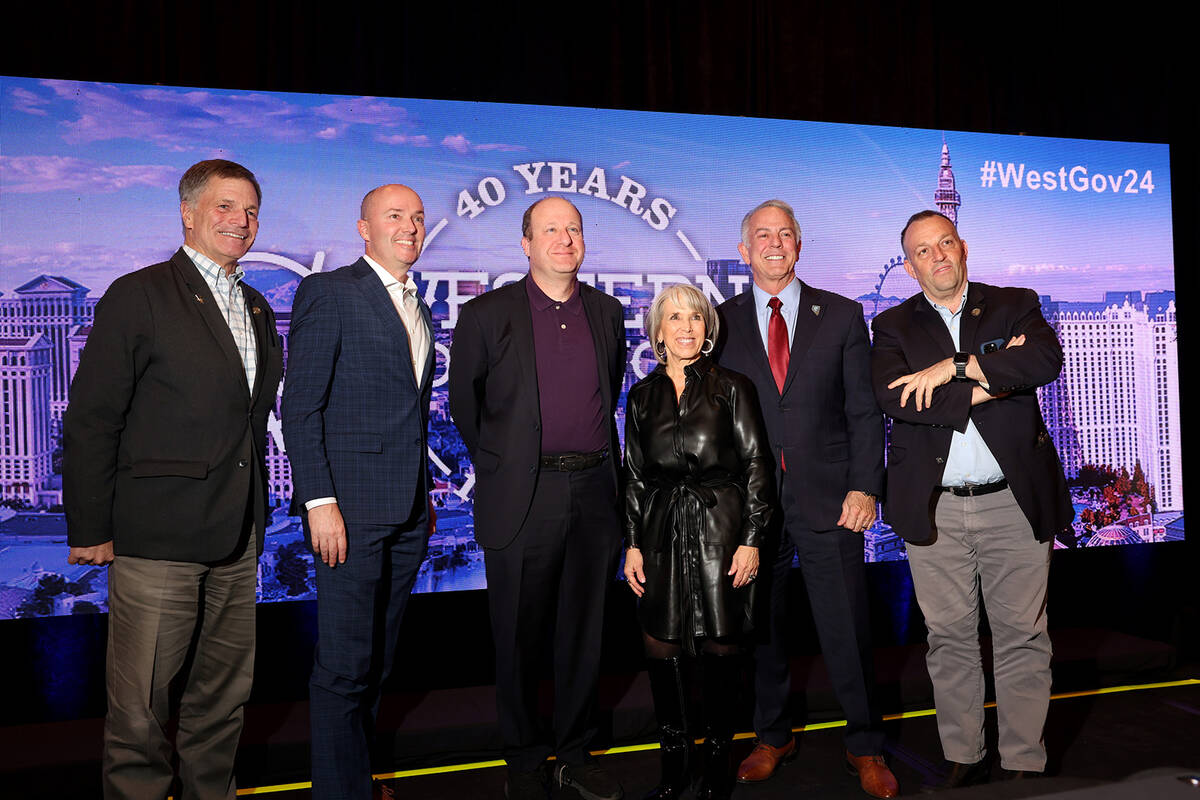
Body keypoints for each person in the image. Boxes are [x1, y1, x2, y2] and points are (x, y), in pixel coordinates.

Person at [63, 159, 283, 799]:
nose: (241, 221)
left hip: (238, 536)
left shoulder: (258, 306)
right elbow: (93, 418)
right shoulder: (139, 294)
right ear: (187, 213)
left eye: (250, 210)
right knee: (140, 715)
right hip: (158, 538)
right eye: (225, 206)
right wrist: (91, 527)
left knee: (223, 703)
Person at [870, 210, 1073, 790]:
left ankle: (1024, 759)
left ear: (962, 247)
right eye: (923, 251)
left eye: (945, 243)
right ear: (910, 267)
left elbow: (1043, 361)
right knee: (949, 639)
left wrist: (954, 368)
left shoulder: (1014, 304)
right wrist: (995, 382)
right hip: (933, 507)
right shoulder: (891, 325)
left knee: (1023, 635)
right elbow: (898, 400)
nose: (937, 256)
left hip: (1014, 502)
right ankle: (965, 753)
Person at [714, 200, 897, 798]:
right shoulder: (720, 322)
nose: (774, 243)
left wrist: (865, 486)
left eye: (785, 234)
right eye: (762, 235)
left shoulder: (842, 315)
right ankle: (772, 737)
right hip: (752, 509)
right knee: (763, 630)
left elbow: (864, 411)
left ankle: (865, 745)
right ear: (744, 251)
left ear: (799, 244)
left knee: (847, 629)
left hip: (831, 500)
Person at [448, 197, 626, 800]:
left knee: (585, 634)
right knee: (518, 636)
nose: (564, 239)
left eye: (573, 229)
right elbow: (465, 406)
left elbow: (609, 388)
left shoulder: (606, 312)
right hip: (524, 494)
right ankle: (524, 761)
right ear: (525, 244)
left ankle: (576, 753)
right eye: (551, 229)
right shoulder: (485, 314)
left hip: (595, 491)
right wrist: (509, 464)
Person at [281, 184, 436, 799]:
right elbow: (301, 408)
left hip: (406, 513)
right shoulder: (331, 292)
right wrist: (319, 502)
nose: (410, 227)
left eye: (417, 218)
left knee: (378, 661)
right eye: (394, 216)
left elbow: (409, 416)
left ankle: (358, 781)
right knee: (344, 667)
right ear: (364, 228)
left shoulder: (417, 305)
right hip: (347, 513)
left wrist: (424, 498)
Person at [623, 283, 773, 800]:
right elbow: (635, 476)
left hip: (722, 530)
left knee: (721, 642)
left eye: (695, 317)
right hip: (660, 531)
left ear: (707, 328)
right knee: (660, 642)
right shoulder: (641, 396)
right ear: (658, 331)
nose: (686, 327)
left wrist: (752, 539)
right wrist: (632, 544)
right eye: (674, 318)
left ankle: (715, 770)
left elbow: (757, 466)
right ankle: (674, 768)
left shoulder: (733, 387)